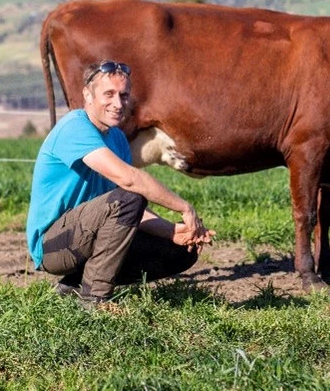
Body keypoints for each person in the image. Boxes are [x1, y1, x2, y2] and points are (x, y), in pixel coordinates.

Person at [26, 60, 214, 303]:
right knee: (129, 197)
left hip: (87, 233)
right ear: (87, 94)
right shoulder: (75, 127)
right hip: (53, 246)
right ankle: (94, 300)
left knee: (180, 252)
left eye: (124, 95)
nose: (118, 103)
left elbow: (126, 209)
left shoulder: (116, 138)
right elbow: (129, 182)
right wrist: (184, 208)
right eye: (109, 94)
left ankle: (74, 286)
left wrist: (171, 232)